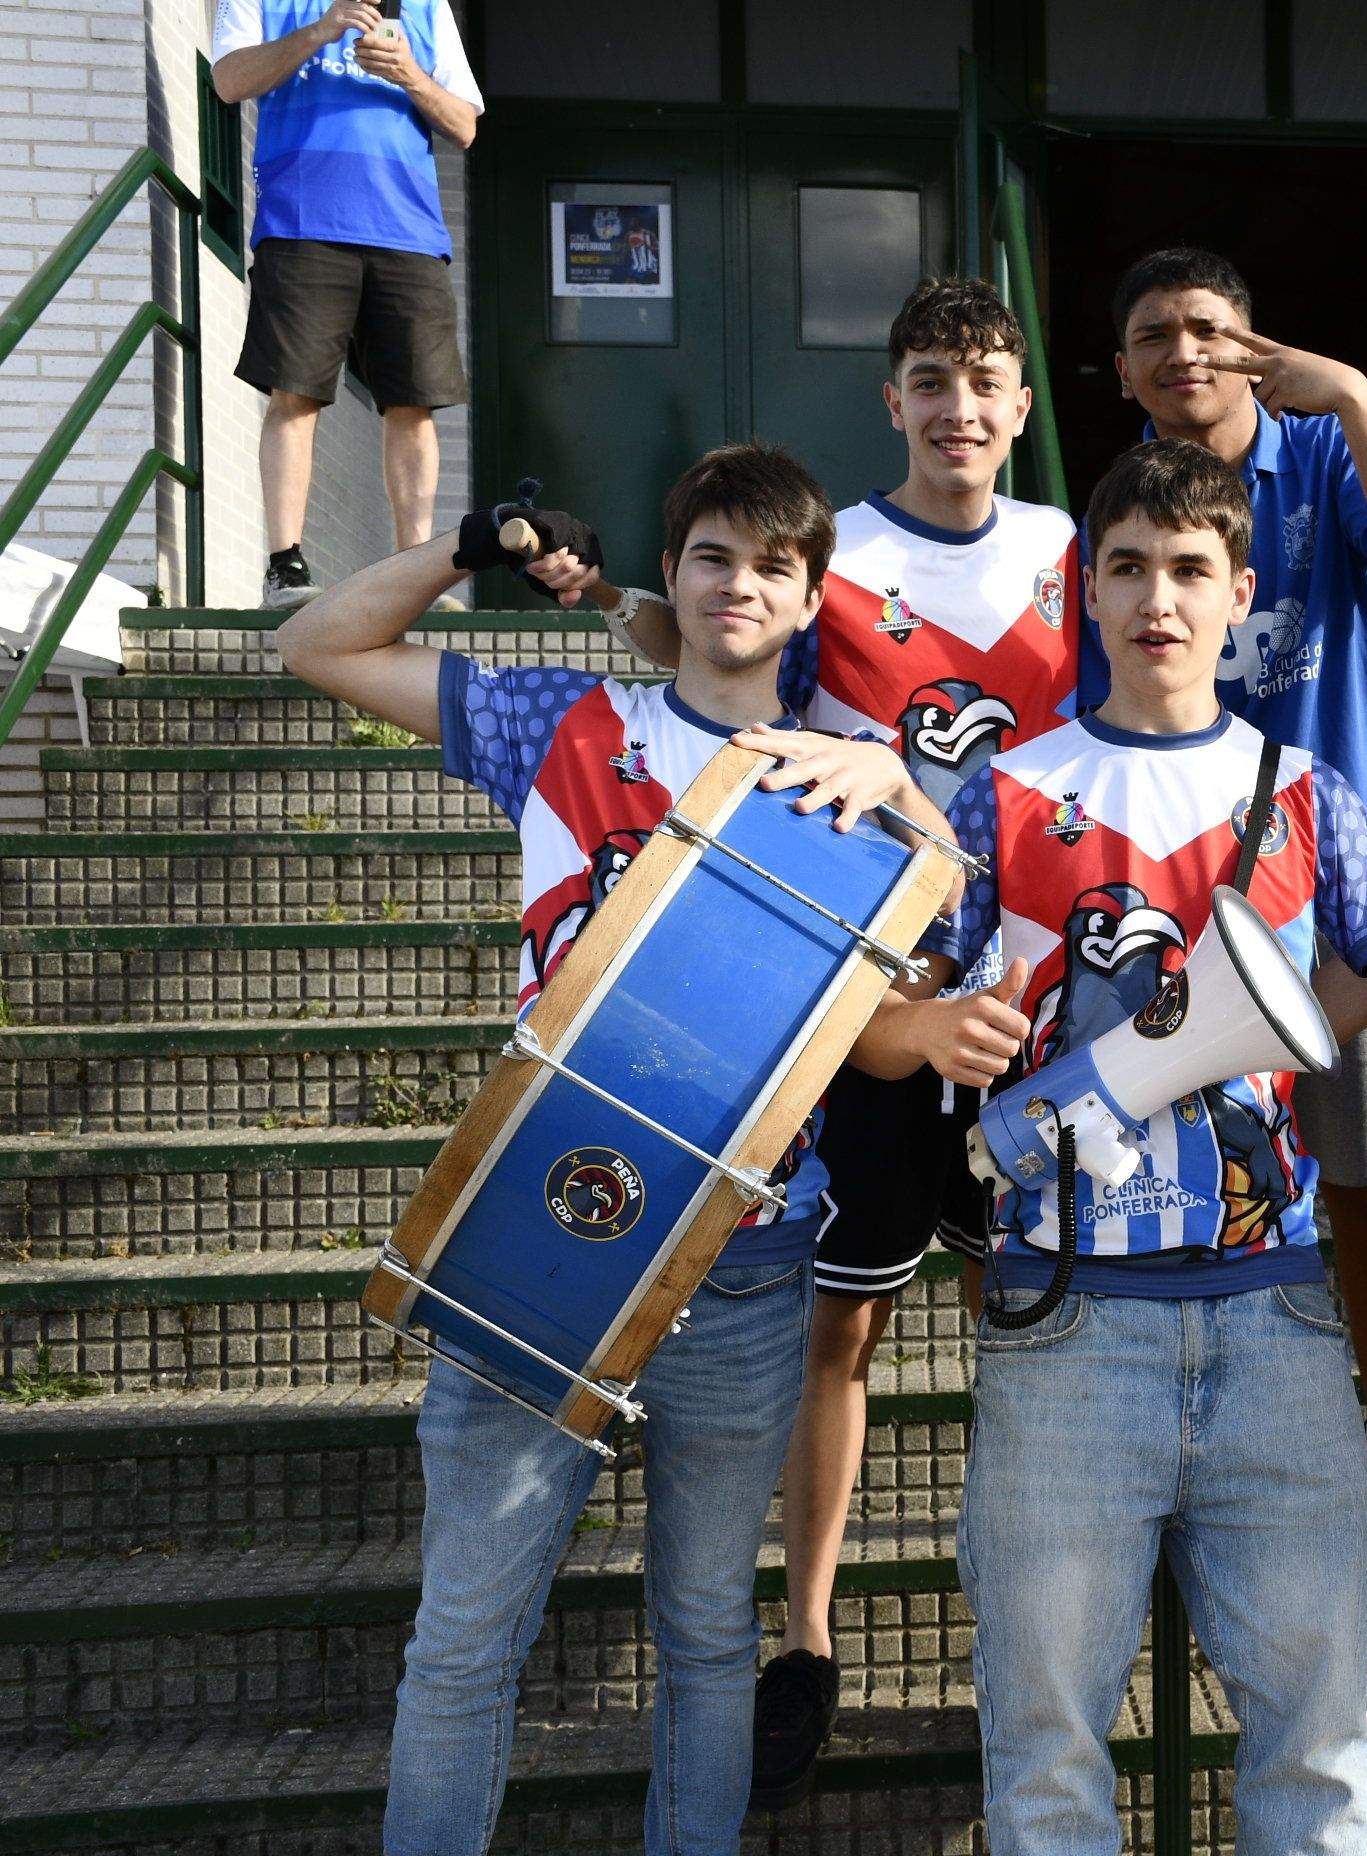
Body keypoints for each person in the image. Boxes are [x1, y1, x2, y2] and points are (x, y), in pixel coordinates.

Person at [274, 446, 940, 1855]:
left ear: (813, 593)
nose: (738, 585)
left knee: (705, 1638)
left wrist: (893, 772)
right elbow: (315, 640)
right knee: (463, 1640)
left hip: (747, 1265)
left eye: (771, 564)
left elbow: (953, 940)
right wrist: (466, 547)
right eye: (712, 556)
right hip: (539, 1238)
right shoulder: (563, 726)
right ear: (673, 573)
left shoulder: (843, 786)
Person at [873, 437, 1367, 1854]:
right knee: (1043, 1763)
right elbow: (882, 1009)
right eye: (1130, 567)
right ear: (1087, 591)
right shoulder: (1000, 795)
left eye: (1191, 570)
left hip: (1277, 1319)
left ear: (1240, 594)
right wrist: (928, 1039)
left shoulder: (1310, 792)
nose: (1160, 597)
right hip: (1064, 1326)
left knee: (1320, 1755)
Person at [572, 275, 1082, 1812]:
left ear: (1018, 403)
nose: (961, 405)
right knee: (836, 1330)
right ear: (893, 398)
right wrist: (602, 598)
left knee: (1033, 1328)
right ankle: (805, 1638)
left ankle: (1035, 1631)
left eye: (987, 378)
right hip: (867, 994)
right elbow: (714, 647)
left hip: (1032, 1000)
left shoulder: (1076, 553)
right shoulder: (829, 550)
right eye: (931, 377)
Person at [1094, 246, 1367, 1566]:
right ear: (1125, 367)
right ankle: (1190, 1456)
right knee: (1196, 1179)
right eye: (1152, 334)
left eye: (1207, 327)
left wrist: (1355, 396)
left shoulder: (1313, 460)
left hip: (1340, 905)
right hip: (1174, 899)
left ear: (1256, 346)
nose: (1181, 351)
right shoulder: (1125, 504)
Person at [211, 1, 482, 610]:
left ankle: (413, 568)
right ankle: (285, 566)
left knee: (414, 402)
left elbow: (464, 125)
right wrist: (320, 30)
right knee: (294, 393)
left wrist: (410, 73)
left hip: (408, 228)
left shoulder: (424, 7)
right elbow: (228, 81)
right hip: (302, 222)